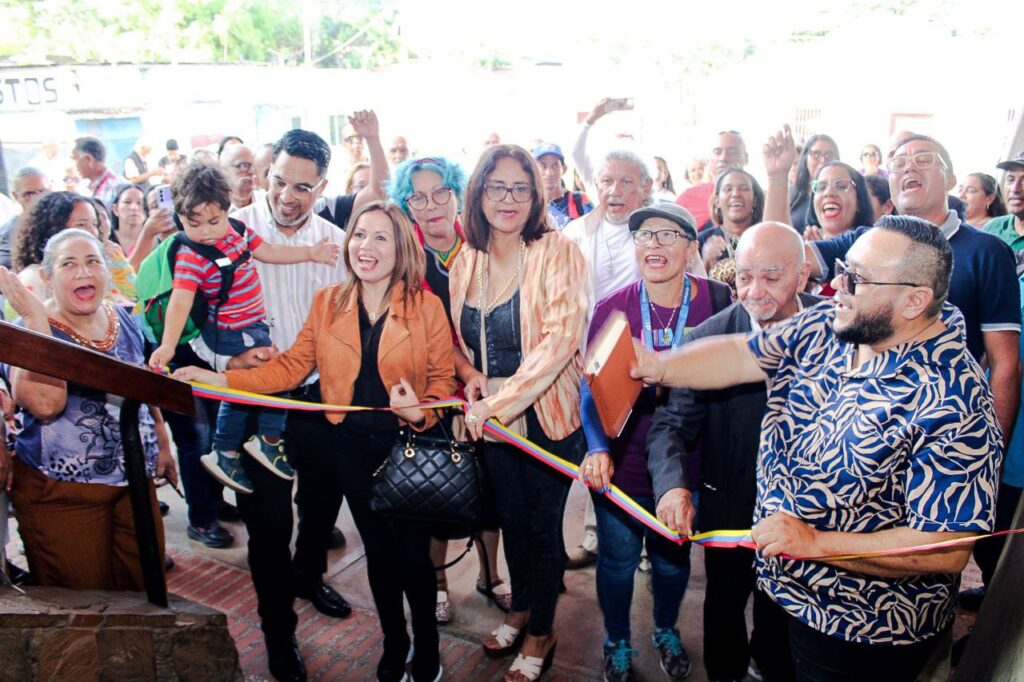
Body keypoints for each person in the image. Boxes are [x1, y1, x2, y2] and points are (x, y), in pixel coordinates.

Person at [634, 216, 1003, 681]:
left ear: (914, 300)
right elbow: (743, 353)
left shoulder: (955, 398)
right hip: (785, 588)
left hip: (862, 628)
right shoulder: (832, 324)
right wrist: (660, 365)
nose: (839, 287)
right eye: (843, 271)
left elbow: (945, 547)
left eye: (858, 280)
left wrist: (815, 543)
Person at [175, 200, 455, 682]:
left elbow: (443, 381)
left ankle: (426, 647)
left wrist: (421, 411)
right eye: (359, 235)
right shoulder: (328, 302)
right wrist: (221, 379)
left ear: (401, 248)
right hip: (350, 451)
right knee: (379, 557)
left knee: (412, 558)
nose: (366, 246)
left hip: (405, 450)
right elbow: (289, 368)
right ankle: (395, 643)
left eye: (380, 237)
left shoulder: (425, 306)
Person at [765, 129, 1021, 440]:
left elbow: (1004, 363)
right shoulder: (864, 243)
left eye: (923, 159)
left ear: (951, 179)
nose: (909, 167)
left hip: (942, 436)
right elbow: (779, 254)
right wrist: (778, 177)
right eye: (898, 164)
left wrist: (991, 449)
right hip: (860, 434)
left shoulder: (988, 252)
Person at [648, 221, 817, 682]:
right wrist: (672, 487)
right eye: (744, 277)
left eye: (772, 276)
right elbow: (670, 425)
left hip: (807, 517)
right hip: (730, 507)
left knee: (782, 627)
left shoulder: (835, 328)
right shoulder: (708, 337)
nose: (754, 292)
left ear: (803, 275)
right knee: (723, 610)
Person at [451, 144, 588, 681]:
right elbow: (457, 341)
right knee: (510, 519)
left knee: (542, 528)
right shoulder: (467, 258)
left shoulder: (558, 251)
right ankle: (522, 606)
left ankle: (542, 630)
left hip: (546, 418)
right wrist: (469, 375)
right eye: (496, 187)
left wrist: (498, 404)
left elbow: (560, 340)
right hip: (491, 421)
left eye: (520, 188)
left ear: (536, 196)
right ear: (479, 193)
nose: (507, 199)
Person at [579, 203, 731, 682]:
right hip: (623, 466)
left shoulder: (719, 300)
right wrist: (597, 448)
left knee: (671, 562)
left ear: (691, 248)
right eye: (644, 236)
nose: (654, 245)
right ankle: (616, 640)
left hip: (688, 467)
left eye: (667, 235)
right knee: (617, 562)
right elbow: (590, 388)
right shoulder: (613, 307)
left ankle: (665, 628)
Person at [229, 129, 356, 656]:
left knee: (322, 505)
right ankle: (278, 633)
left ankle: (308, 576)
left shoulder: (339, 244)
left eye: (303, 187)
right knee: (268, 524)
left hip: (317, 398)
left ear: (322, 187)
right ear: (266, 175)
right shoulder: (230, 232)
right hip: (254, 402)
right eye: (280, 181)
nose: (288, 196)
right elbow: (196, 314)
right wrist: (225, 360)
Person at [146, 162, 340, 494]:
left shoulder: (237, 230)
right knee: (271, 379)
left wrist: (310, 253)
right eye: (194, 224)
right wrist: (167, 345)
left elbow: (270, 252)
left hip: (253, 325)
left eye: (213, 221)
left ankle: (231, 450)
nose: (206, 232)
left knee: (252, 387)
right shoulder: (191, 257)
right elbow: (180, 301)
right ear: (180, 217)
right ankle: (259, 441)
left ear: (227, 210)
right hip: (231, 331)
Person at [0, 229, 177, 590]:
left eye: (93, 261)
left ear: (107, 270)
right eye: (68, 264)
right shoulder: (25, 332)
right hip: (63, 494)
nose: (84, 272)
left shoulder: (121, 317)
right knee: (85, 603)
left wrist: (160, 439)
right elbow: (46, 405)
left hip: (134, 480)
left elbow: (142, 383)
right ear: (47, 277)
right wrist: (36, 319)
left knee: (145, 588)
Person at [390, 155, 512, 624]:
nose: (432, 205)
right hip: (433, 392)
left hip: (485, 387)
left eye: (441, 192)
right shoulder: (403, 258)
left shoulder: (481, 246)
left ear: (458, 195)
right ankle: (438, 583)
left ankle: (491, 575)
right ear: (407, 205)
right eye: (418, 197)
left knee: (490, 490)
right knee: (435, 490)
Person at [315, 111, 388, 230]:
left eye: (359, 137)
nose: (356, 142)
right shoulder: (335, 173)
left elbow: (378, 191)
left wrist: (372, 139)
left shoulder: (327, 208)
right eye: (351, 139)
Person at [698, 168, 765, 290]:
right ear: (717, 201)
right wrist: (705, 262)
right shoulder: (701, 241)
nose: (736, 194)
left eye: (744, 188)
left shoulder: (766, 239)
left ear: (755, 200)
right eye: (728, 189)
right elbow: (688, 291)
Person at [675, 131, 749, 229]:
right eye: (717, 152)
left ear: (746, 158)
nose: (723, 158)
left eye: (732, 152)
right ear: (710, 159)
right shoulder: (687, 198)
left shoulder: (762, 199)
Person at [787, 133, 839, 234]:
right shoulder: (789, 194)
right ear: (805, 157)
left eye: (828, 155)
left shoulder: (843, 195)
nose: (823, 160)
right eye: (816, 154)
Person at [0, 167, 50, 269]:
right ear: (16, 196)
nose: (37, 198)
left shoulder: (67, 219)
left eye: (42, 191)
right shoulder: (10, 231)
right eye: (29, 194)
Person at [533, 143, 592, 230]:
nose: (549, 173)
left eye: (555, 166)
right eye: (543, 166)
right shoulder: (531, 205)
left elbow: (594, 231)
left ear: (563, 168)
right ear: (534, 169)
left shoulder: (580, 199)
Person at [72, 137, 126, 207]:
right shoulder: (84, 187)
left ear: (88, 159)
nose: (72, 165)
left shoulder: (116, 187)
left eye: (75, 159)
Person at [221, 143, 258, 211]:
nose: (251, 171)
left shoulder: (265, 202)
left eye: (253, 166)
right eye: (243, 165)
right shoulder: (216, 210)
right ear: (224, 171)